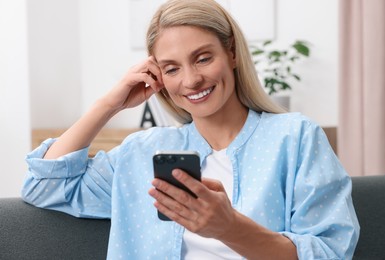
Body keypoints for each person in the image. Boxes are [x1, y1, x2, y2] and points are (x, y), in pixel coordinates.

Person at [21, 0, 360, 259]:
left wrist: (230, 228)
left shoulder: (295, 138)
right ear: (159, 79)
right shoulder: (142, 153)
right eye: (171, 68)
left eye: (202, 58)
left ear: (231, 53)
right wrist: (108, 104)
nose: (191, 80)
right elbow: (43, 185)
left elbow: (331, 251)